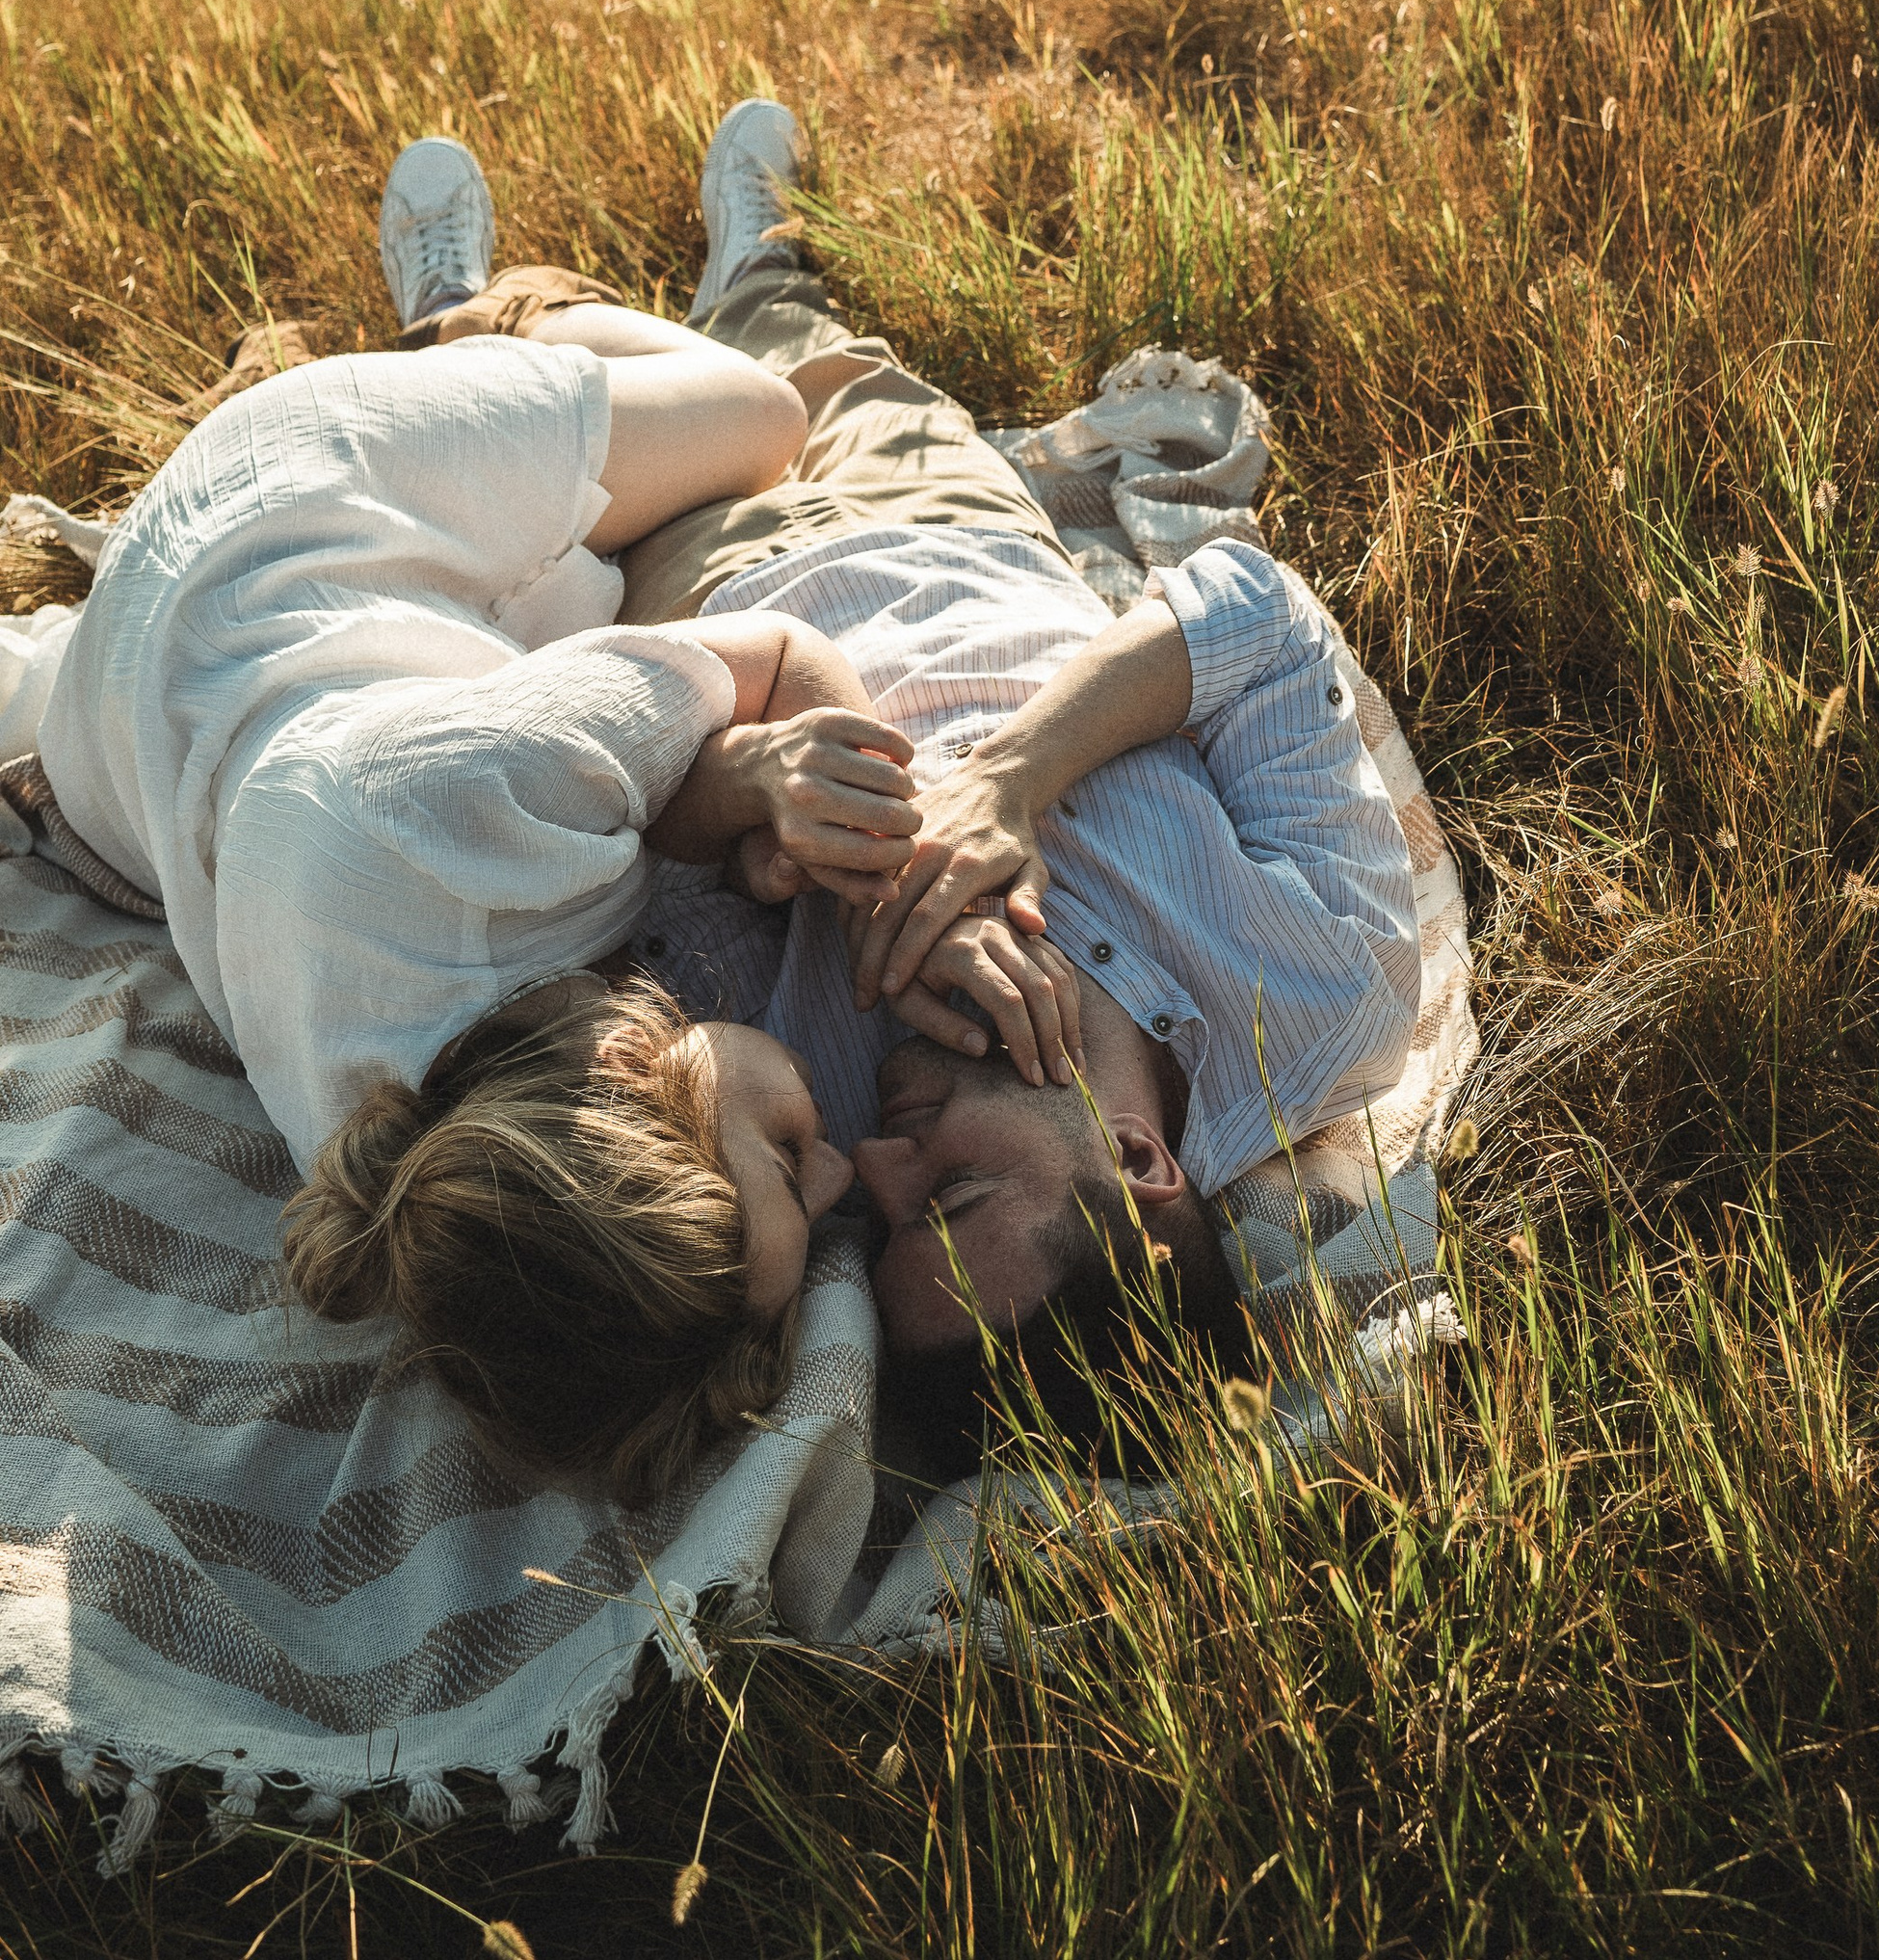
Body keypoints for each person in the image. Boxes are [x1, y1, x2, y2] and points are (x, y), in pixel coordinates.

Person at [30, 109, 1419, 1502]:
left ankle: (464, 315)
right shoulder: (1322, 990)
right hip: (947, 526)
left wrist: (802, 842)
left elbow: (652, 837)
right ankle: (753, 253)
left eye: (882, 1228)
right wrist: (1001, 783)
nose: (874, 1164)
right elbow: (1259, 617)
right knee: (818, 360)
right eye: (948, 1193)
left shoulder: (786, 1081)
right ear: (1137, 1156)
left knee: (588, 399)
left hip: (686, 585)